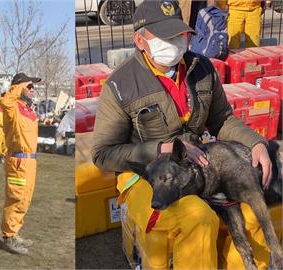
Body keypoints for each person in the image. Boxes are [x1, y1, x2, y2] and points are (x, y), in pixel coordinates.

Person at [91, 0, 273, 268]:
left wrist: (256, 143)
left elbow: (222, 118)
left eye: (179, 34)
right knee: (198, 218)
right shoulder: (121, 85)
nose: (176, 42)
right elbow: (103, 154)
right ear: (140, 40)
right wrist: (162, 148)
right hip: (145, 179)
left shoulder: (201, 68)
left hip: (195, 170)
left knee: (252, 211)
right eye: (165, 36)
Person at [0, 73, 41, 255]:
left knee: (25, 199)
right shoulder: (13, 107)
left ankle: (15, 232)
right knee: (16, 198)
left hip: (30, 161)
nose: (32, 90)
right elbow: (4, 101)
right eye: (29, 86)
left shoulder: (27, 108)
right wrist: (18, 86)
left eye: (33, 87)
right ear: (19, 86)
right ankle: (9, 236)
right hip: (18, 160)